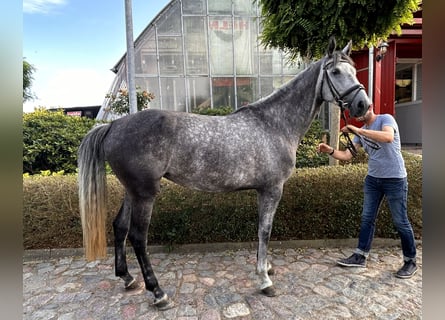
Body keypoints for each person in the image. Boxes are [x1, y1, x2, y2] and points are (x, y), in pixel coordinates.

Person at [317, 105, 417, 278]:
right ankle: (360, 255)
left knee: (400, 221)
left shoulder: (385, 119)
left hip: (395, 179)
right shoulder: (361, 131)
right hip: (373, 180)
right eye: (356, 113)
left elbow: (388, 137)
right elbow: (347, 155)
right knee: (367, 218)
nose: (358, 115)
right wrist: (330, 151)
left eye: (360, 110)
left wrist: (357, 131)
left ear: (370, 107)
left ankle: (410, 261)